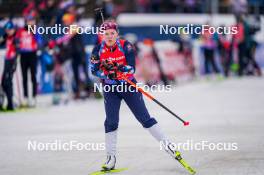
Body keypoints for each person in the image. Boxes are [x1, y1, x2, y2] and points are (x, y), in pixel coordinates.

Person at [90, 20, 183, 171]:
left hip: (128, 86)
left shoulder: (126, 46)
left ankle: (169, 147)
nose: (109, 37)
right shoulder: (97, 50)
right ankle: (110, 158)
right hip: (110, 88)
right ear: (102, 35)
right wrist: (106, 72)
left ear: (117, 33)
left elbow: (131, 68)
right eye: (106, 34)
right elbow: (94, 70)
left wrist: (118, 68)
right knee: (111, 122)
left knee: (145, 119)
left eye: (112, 33)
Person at [16, 15, 39, 107]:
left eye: (32, 21)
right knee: (24, 77)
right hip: (23, 55)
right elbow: (17, 40)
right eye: (29, 21)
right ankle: (25, 97)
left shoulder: (35, 30)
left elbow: (38, 40)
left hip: (32, 55)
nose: (31, 22)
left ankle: (33, 97)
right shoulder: (21, 30)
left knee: (33, 76)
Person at [0, 21, 18, 111]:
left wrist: (15, 63)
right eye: (7, 30)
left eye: (10, 30)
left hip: (12, 61)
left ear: (13, 29)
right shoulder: (6, 37)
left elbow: (17, 51)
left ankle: (11, 104)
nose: (8, 31)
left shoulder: (15, 38)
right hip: (6, 61)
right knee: (4, 83)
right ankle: (8, 102)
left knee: (8, 82)